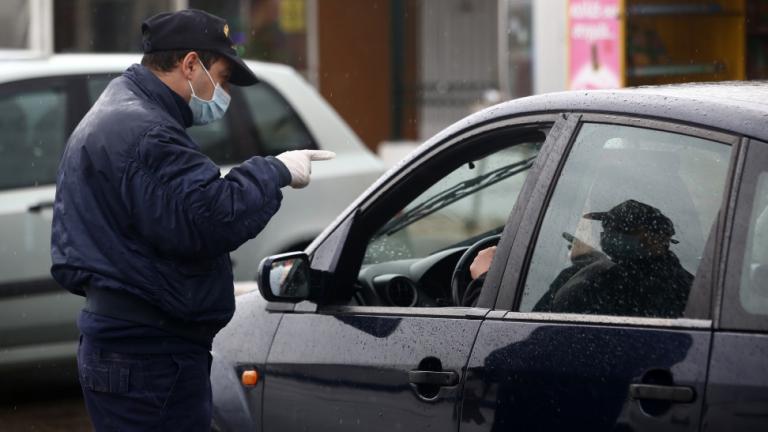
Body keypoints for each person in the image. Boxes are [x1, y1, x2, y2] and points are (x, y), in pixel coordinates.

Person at [50, 9, 333, 431]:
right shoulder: (146, 131)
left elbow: (160, 224)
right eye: (220, 78)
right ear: (189, 65)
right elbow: (213, 216)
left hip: (125, 343)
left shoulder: (120, 109)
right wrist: (274, 170)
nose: (223, 92)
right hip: (149, 356)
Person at [470, 200, 693, 317]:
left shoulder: (597, 281)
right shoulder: (688, 284)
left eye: (621, 229)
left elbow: (522, 329)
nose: (607, 235)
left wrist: (485, 279)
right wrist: (591, 260)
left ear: (656, 239)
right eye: (605, 227)